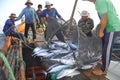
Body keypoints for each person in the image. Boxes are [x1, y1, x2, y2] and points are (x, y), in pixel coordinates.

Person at [83, 0, 120, 75]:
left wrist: (101, 31)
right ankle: (103, 60)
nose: (88, 1)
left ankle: (104, 70)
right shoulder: (97, 2)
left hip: (112, 27)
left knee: (107, 48)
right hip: (108, 27)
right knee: (103, 45)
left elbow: (104, 18)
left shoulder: (100, 1)